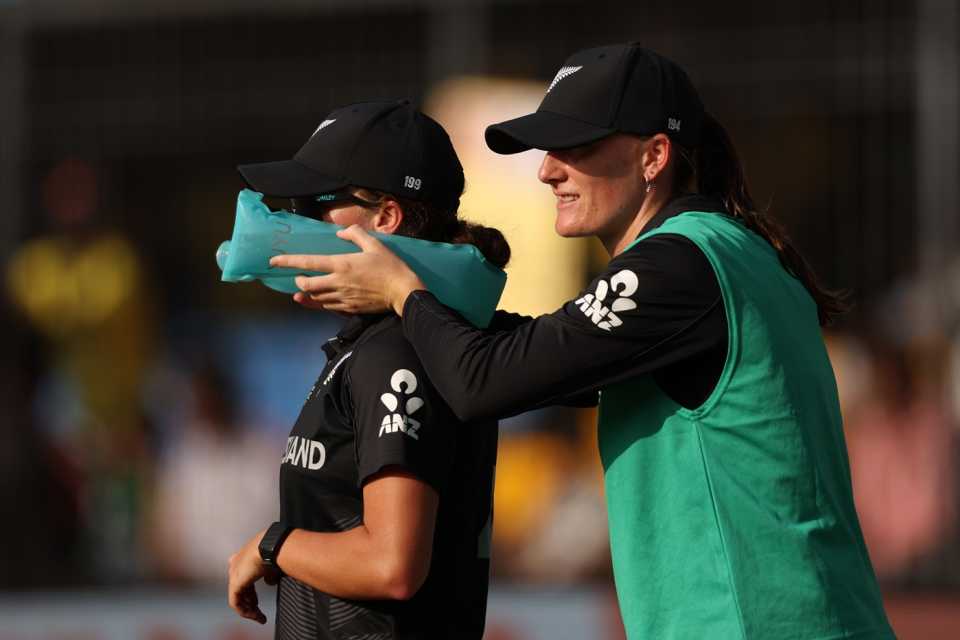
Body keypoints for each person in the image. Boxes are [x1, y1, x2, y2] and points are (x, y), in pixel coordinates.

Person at [270, 45, 897, 639]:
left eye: (574, 145)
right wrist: (413, 292)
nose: (546, 170)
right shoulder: (728, 251)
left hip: (750, 621)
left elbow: (483, 381)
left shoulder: (678, 264)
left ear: (654, 157)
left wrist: (405, 292)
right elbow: (533, 355)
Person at [226, 100, 508, 640]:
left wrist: (274, 545)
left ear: (386, 218)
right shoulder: (375, 343)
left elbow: (392, 565)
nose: (293, 219)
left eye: (315, 202)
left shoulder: (397, 351)